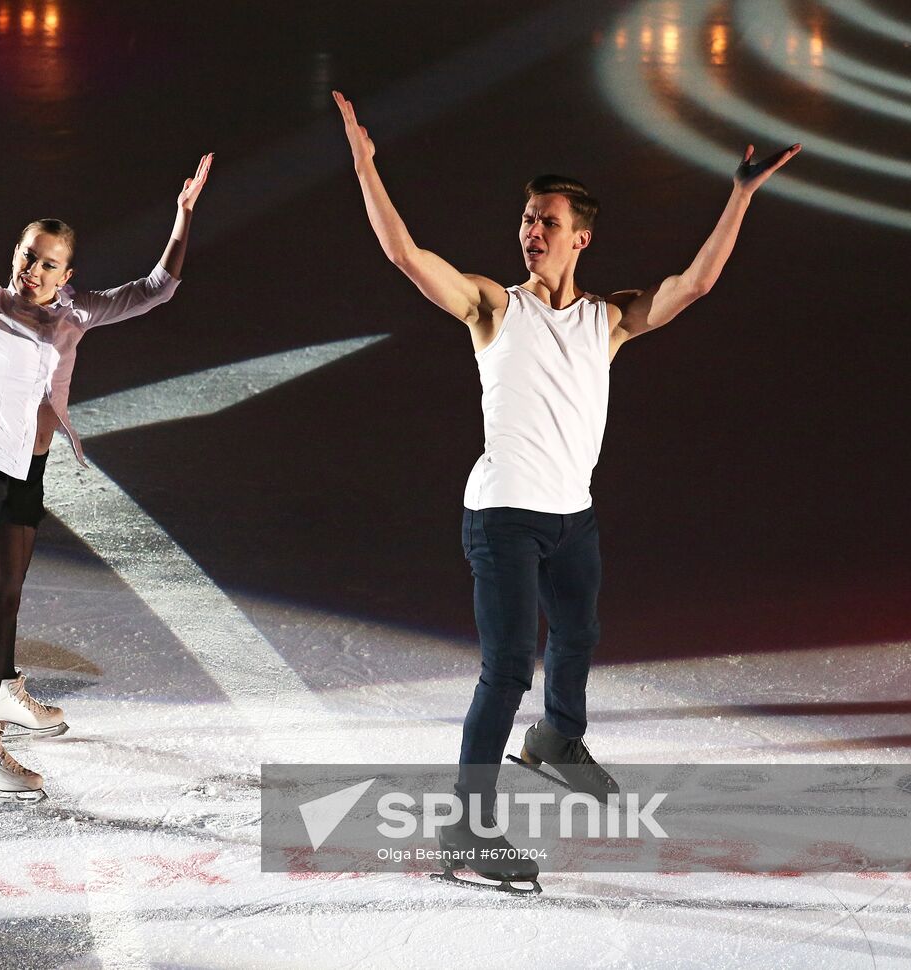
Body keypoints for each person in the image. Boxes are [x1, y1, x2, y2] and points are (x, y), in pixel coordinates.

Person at [333, 90, 798, 888]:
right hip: (503, 519)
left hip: (571, 518)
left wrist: (740, 194)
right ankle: (467, 832)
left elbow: (693, 285)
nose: (531, 231)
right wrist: (367, 165)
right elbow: (408, 256)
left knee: (578, 637)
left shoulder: (607, 320)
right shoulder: (491, 307)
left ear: (580, 237)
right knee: (508, 669)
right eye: (526, 219)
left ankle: (556, 741)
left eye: (547, 221)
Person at [0, 118, 213, 801]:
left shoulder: (77, 313)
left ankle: (4, 693)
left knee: (12, 595)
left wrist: (181, 219)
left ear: (68, 273)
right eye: (27, 255)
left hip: (28, 471)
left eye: (46, 262)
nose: (31, 270)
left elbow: (157, 290)